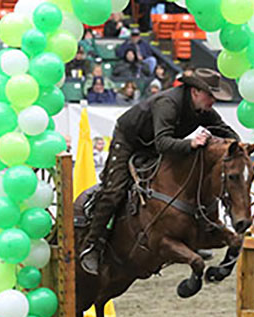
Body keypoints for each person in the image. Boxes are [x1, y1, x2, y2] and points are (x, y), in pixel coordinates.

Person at [79, 68, 241, 275]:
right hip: (129, 141)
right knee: (114, 192)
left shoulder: (204, 108)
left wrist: (237, 147)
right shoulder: (168, 104)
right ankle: (92, 245)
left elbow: (224, 129)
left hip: (156, 144)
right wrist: (191, 144)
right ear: (195, 92)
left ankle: (192, 233)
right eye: (210, 95)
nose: (213, 101)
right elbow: (163, 143)